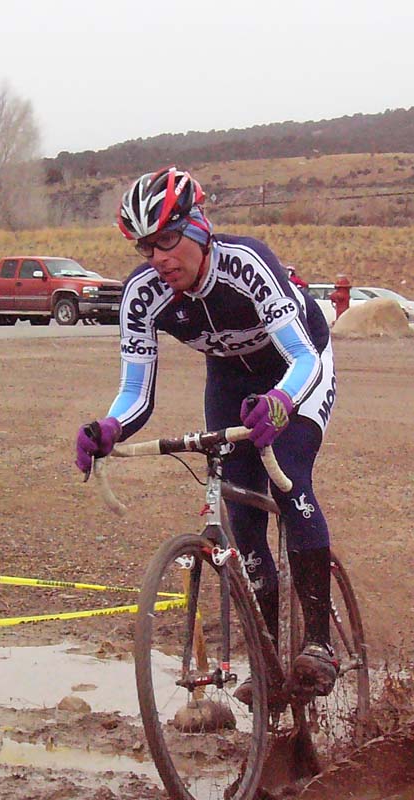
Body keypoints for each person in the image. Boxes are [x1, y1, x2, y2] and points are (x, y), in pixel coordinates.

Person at [74, 166, 339, 700]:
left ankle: (318, 644)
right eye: (147, 247)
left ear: (199, 226)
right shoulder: (143, 295)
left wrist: (283, 402)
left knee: (289, 485)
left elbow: (303, 357)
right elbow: (137, 395)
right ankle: (266, 657)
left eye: (168, 240)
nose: (159, 258)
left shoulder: (246, 264)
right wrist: (109, 428)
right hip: (229, 379)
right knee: (243, 519)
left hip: (298, 367)